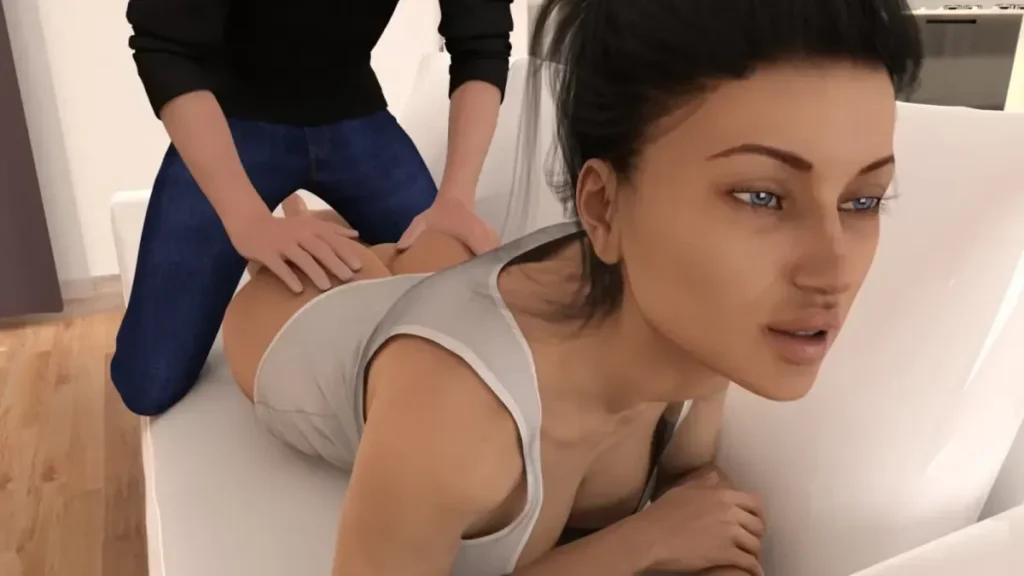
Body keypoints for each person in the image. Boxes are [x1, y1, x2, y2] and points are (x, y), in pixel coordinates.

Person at [221, 0, 922, 574]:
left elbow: (699, 501)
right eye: (761, 196)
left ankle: (365, 242)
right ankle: (319, 228)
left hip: (447, 293)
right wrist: (639, 544)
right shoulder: (457, 418)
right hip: (299, 323)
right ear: (603, 208)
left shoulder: (705, 330)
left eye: (863, 200)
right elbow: (672, 524)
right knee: (347, 270)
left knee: (422, 260)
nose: (833, 273)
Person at [111, 0, 514, 416]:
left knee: (451, 294)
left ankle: (319, 224)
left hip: (354, 114)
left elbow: (482, 37)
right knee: (150, 383)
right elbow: (164, 46)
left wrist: (456, 197)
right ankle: (291, 231)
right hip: (232, 118)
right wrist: (246, 218)